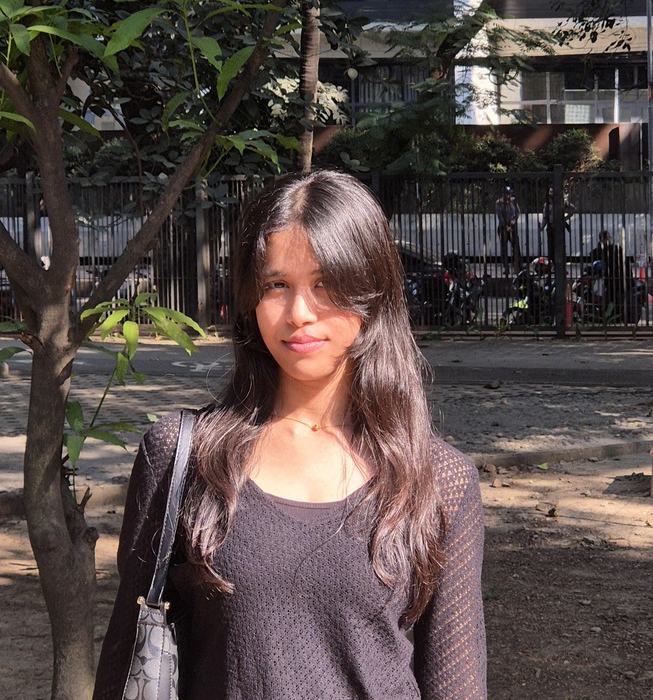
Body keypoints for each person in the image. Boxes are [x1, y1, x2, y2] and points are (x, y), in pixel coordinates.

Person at [93, 170, 486, 700]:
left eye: (325, 284)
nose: (300, 313)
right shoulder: (182, 457)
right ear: (251, 300)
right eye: (276, 285)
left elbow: (457, 686)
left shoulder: (439, 481)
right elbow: (124, 663)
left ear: (372, 293)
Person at [589, 229, 630, 320]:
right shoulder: (614, 250)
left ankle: (608, 313)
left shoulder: (614, 250)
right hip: (611, 279)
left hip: (613, 279)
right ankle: (607, 313)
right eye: (607, 238)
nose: (608, 240)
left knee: (611, 296)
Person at [538, 186, 576, 263]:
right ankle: (552, 263)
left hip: (559, 227)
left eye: (553, 192)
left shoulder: (561, 203)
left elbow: (573, 209)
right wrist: (542, 227)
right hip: (551, 227)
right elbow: (545, 217)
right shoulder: (547, 204)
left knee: (560, 247)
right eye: (550, 192)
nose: (551, 194)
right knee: (551, 246)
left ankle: (561, 263)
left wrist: (565, 218)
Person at [495, 186, 521, 276]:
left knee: (516, 246)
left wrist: (514, 220)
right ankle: (506, 267)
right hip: (503, 226)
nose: (508, 196)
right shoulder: (499, 203)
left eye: (509, 194)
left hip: (512, 225)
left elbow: (518, 212)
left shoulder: (513, 201)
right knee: (504, 248)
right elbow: (500, 216)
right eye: (507, 195)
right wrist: (506, 227)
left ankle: (518, 266)